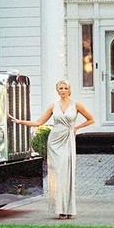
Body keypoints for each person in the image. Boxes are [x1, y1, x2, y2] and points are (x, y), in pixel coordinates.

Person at [12, 79, 95, 219]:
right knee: (56, 174)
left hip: (68, 140)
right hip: (54, 142)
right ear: (57, 90)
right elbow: (39, 122)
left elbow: (91, 119)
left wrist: (76, 128)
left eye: (65, 88)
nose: (63, 90)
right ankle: (60, 209)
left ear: (69, 89)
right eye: (60, 88)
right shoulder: (53, 106)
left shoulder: (76, 105)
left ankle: (68, 209)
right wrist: (19, 121)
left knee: (66, 173)